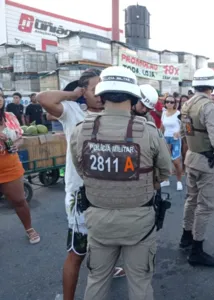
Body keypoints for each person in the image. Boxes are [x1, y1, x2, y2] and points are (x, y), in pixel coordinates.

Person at [70, 66, 171, 300]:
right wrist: (147, 182)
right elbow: (165, 171)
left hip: (98, 221)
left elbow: (81, 170)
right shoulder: (148, 131)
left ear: (101, 95)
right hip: (139, 223)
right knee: (140, 284)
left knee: (96, 281)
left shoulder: (82, 130)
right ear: (134, 96)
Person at [37, 69, 125, 300]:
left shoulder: (114, 114)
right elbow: (43, 98)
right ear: (83, 91)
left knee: (108, 240)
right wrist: (71, 94)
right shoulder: (73, 112)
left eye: (103, 88)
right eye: (94, 88)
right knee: (77, 252)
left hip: (110, 193)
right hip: (81, 195)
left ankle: (106, 267)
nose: (100, 93)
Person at [179, 67, 214, 267]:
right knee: (205, 206)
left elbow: (184, 132)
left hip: (192, 157)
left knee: (191, 200)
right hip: (207, 162)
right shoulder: (210, 108)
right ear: (212, 85)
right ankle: (196, 249)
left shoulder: (186, 105)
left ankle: (186, 237)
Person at [0, 94, 40, 244]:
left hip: (10, 166)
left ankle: (29, 228)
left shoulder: (9, 116)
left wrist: (15, 144)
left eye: (0, 96)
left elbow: (20, 137)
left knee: (19, 200)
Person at [160, 95, 183, 190]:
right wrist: (159, 136)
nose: (169, 103)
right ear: (165, 103)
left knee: (176, 162)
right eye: (167, 102)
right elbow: (162, 126)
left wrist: (179, 133)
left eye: (171, 102)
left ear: (175, 104)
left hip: (175, 139)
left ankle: (179, 181)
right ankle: (166, 180)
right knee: (165, 161)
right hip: (166, 138)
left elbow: (186, 126)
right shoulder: (164, 113)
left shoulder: (178, 113)